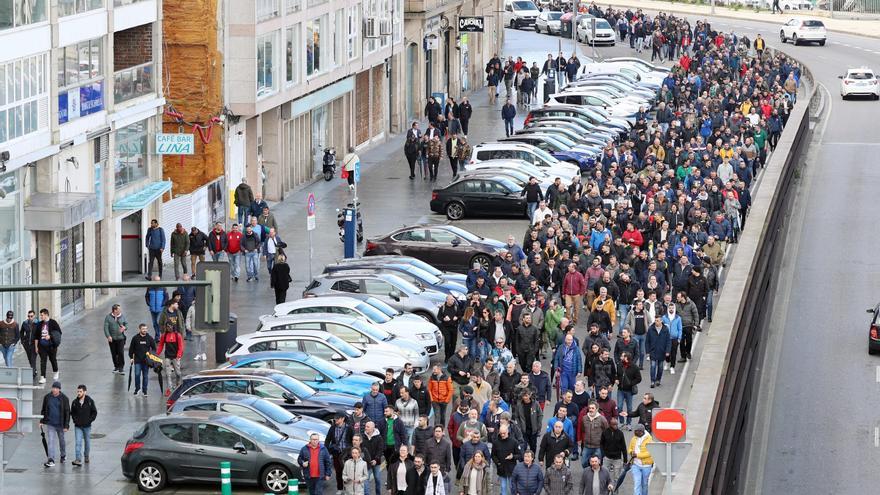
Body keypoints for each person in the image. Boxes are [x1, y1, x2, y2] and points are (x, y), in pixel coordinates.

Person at [40, 381, 69, 467]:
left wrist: (66, 426)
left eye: (56, 388)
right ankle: (51, 459)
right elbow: (44, 410)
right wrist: (41, 421)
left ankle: (63, 455)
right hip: (50, 423)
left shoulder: (64, 398)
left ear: (59, 389)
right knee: (51, 441)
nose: (54, 390)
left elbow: (67, 413)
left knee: (62, 441)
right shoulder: (47, 397)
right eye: (53, 388)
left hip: (60, 424)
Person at [70, 384, 97, 467]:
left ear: (85, 392)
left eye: (80, 391)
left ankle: (86, 456)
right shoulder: (75, 402)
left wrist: (89, 420)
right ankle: (78, 459)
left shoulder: (90, 401)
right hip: (78, 426)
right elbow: (72, 413)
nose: (78, 393)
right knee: (78, 442)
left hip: (87, 426)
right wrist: (75, 420)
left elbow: (94, 412)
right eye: (78, 391)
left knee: (87, 442)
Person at [157, 320, 185, 395]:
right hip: (168, 357)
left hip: (176, 357)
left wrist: (179, 355)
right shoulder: (164, 335)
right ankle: (169, 389)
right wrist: (157, 353)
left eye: (170, 326)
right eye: (167, 326)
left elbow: (181, 346)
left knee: (178, 373)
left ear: (172, 326)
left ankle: (178, 385)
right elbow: (161, 345)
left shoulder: (177, 335)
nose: (168, 328)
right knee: (168, 374)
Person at [328, 413, 354, 492]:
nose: (336, 420)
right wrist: (328, 451)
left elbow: (353, 440)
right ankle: (340, 489)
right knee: (338, 472)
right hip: (336, 454)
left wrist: (352, 452)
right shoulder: (332, 428)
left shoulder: (349, 428)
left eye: (338, 418)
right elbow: (327, 440)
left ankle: (347, 489)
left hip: (346, 455)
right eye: (335, 418)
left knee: (347, 472)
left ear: (342, 419)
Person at [35, 309, 62, 385]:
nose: (41, 316)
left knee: (52, 359)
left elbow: (59, 332)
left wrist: (50, 336)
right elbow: (36, 336)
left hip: (51, 346)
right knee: (43, 361)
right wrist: (36, 347)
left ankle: (56, 371)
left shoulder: (53, 322)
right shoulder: (39, 324)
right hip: (42, 346)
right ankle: (43, 377)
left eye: (42, 315)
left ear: (46, 315)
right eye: (40, 315)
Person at [128, 324, 156, 397]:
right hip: (137, 361)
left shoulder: (149, 338)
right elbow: (131, 349)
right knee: (137, 375)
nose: (145, 330)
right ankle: (137, 389)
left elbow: (154, 349)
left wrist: (151, 356)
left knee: (145, 376)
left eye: (146, 329)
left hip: (146, 362)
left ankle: (145, 391)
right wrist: (131, 358)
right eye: (143, 329)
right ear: (139, 329)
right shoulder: (135, 338)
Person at [628, 423, 654, 495]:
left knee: (644, 484)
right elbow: (630, 448)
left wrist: (637, 455)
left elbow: (649, 453)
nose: (634, 433)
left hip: (646, 466)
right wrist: (631, 452)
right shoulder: (634, 438)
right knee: (637, 483)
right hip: (635, 465)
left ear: (641, 432)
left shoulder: (649, 439)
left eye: (636, 432)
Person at [103, 304, 128, 374]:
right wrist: (108, 336)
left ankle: (121, 367)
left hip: (121, 338)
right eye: (119, 309)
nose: (120, 310)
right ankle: (116, 366)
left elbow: (126, 324)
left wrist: (125, 328)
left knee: (120, 352)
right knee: (114, 353)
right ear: (115, 310)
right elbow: (106, 328)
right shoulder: (108, 317)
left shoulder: (122, 316)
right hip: (112, 339)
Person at [20, 310, 38, 377]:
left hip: (35, 344)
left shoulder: (38, 323)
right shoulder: (25, 323)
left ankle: (32, 374)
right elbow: (21, 332)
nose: (30, 317)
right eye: (28, 316)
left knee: (33, 359)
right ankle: (34, 370)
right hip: (27, 344)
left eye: (31, 316)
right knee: (30, 359)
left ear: (34, 316)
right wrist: (22, 341)